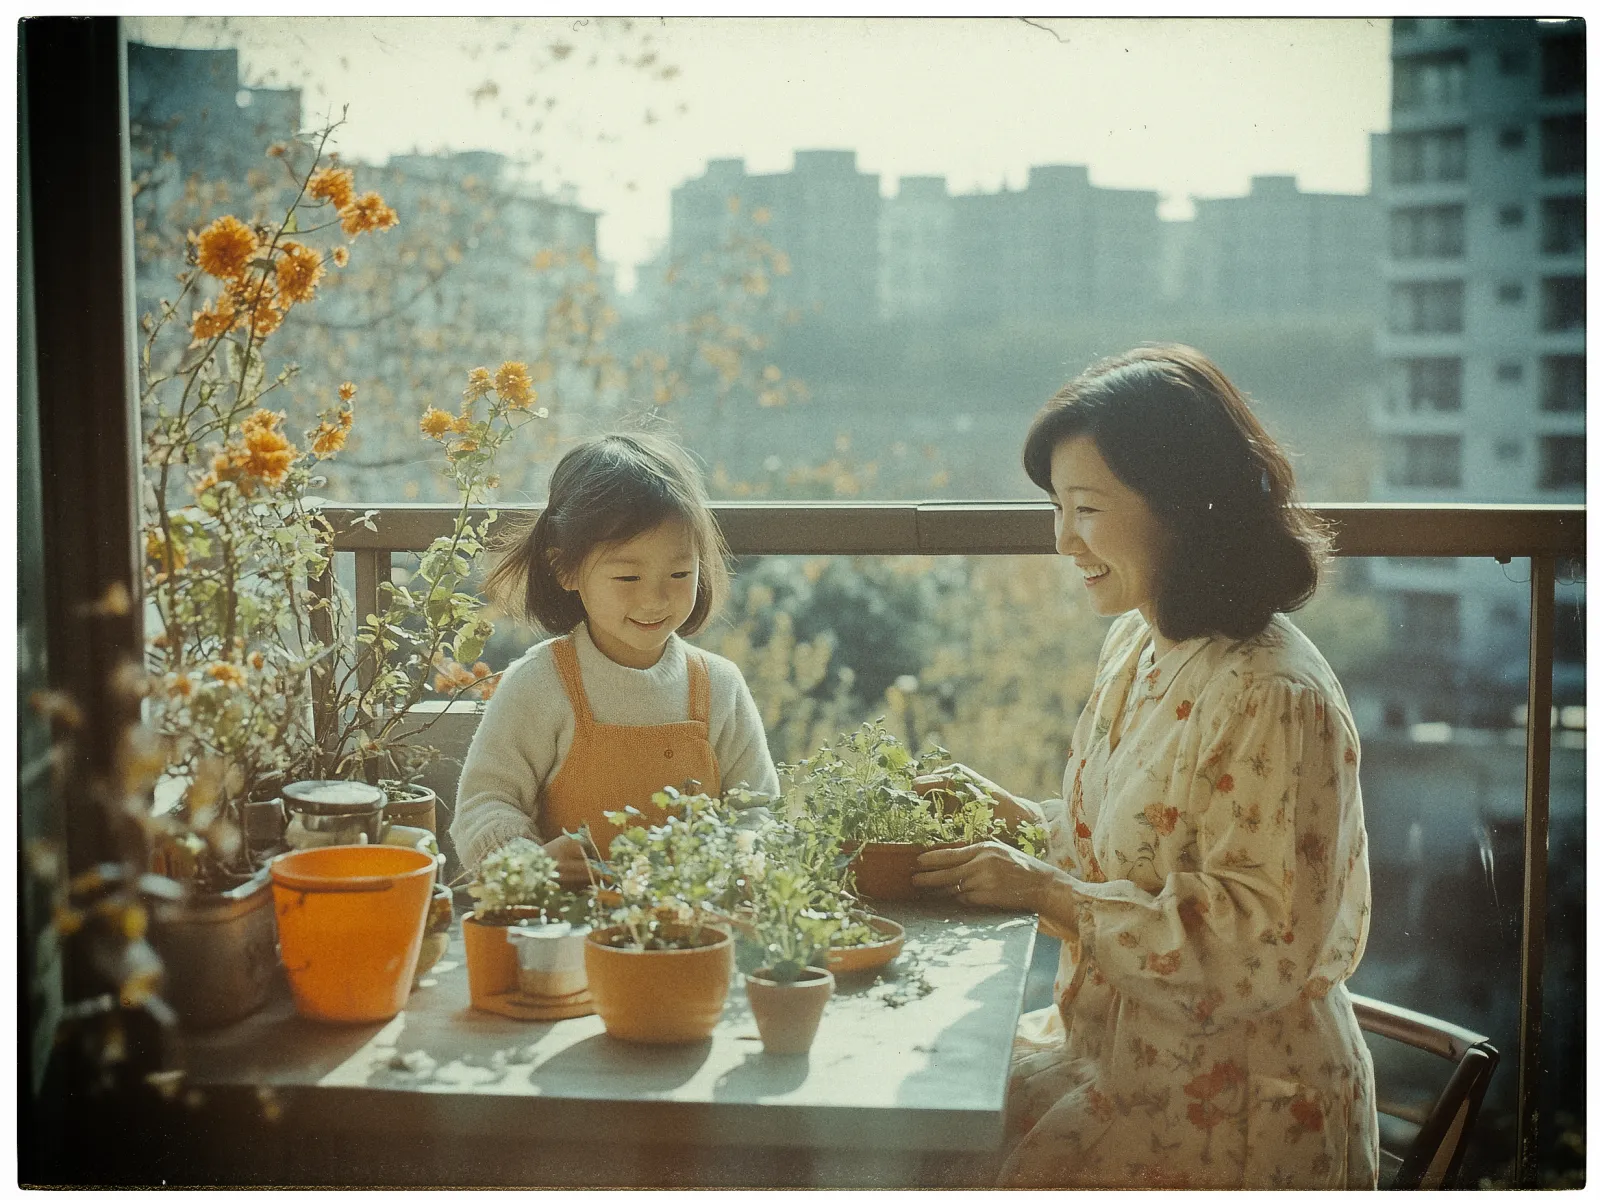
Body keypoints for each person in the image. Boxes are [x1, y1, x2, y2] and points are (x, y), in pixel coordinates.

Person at [911, 345, 1378, 1189]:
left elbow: (1257, 948)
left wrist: (1040, 891)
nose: (1062, 540)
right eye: (1058, 507)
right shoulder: (1143, 641)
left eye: (1085, 508)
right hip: (1120, 1055)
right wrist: (1012, 822)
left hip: (1237, 1106)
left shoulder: (1276, 695)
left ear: (1182, 506)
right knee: (919, 1113)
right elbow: (1138, 851)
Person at [451, 432, 779, 882]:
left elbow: (757, 809)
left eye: (680, 573)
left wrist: (738, 864)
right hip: (566, 931)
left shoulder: (720, 686)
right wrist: (527, 864)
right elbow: (484, 803)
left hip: (693, 928)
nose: (654, 599)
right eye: (628, 576)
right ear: (565, 568)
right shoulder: (539, 683)